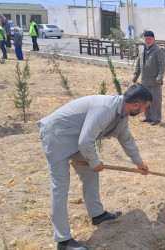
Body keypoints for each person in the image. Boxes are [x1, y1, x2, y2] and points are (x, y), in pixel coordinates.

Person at [37, 84, 153, 249]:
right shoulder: (106, 107)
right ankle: (63, 240)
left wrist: (138, 162)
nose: (143, 112)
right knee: (60, 188)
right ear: (136, 105)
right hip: (56, 136)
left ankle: (97, 214)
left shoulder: (122, 114)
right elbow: (86, 141)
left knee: (91, 174)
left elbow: (126, 138)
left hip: (76, 140)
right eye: (144, 108)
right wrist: (95, 162)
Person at [132, 30, 165, 126]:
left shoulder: (158, 50)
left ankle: (156, 119)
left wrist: (160, 77)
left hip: (155, 81)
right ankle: (148, 117)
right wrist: (135, 76)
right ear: (144, 39)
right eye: (146, 38)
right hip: (144, 80)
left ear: (154, 39)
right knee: (145, 100)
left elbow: (161, 65)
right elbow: (138, 64)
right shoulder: (142, 49)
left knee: (155, 101)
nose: (148, 40)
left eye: (150, 38)